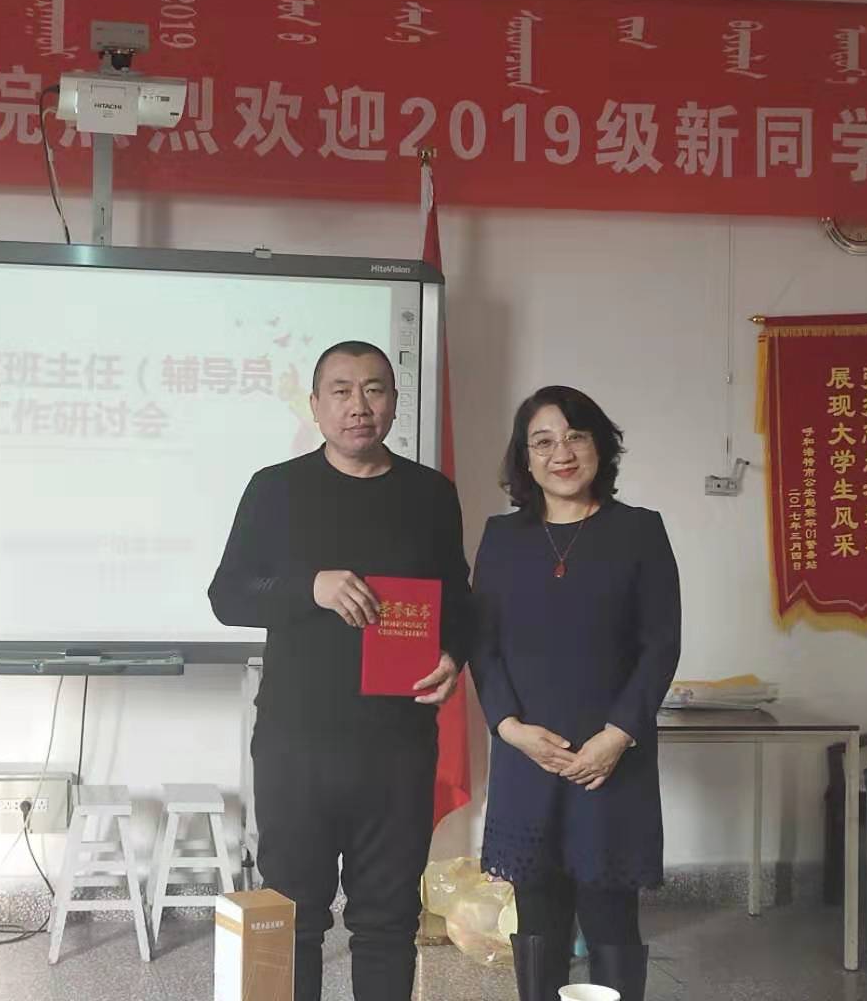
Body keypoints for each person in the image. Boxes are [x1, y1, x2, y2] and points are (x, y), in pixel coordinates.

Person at [208, 340, 471, 1001]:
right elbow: (228, 596)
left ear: (393, 402)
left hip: (397, 745)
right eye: (342, 390)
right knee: (291, 918)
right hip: (297, 743)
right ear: (316, 405)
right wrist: (311, 587)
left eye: (374, 389)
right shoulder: (275, 488)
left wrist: (453, 654)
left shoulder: (430, 494)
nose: (359, 405)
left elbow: (458, 598)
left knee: (388, 920)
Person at [469, 385, 681, 1001]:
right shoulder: (502, 537)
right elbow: (483, 644)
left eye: (575, 437)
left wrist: (617, 736)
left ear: (599, 447)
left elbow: (661, 644)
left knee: (610, 909)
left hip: (611, 756)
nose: (560, 453)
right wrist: (509, 727)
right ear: (525, 458)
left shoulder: (639, 530)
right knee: (538, 911)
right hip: (527, 752)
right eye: (542, 442)